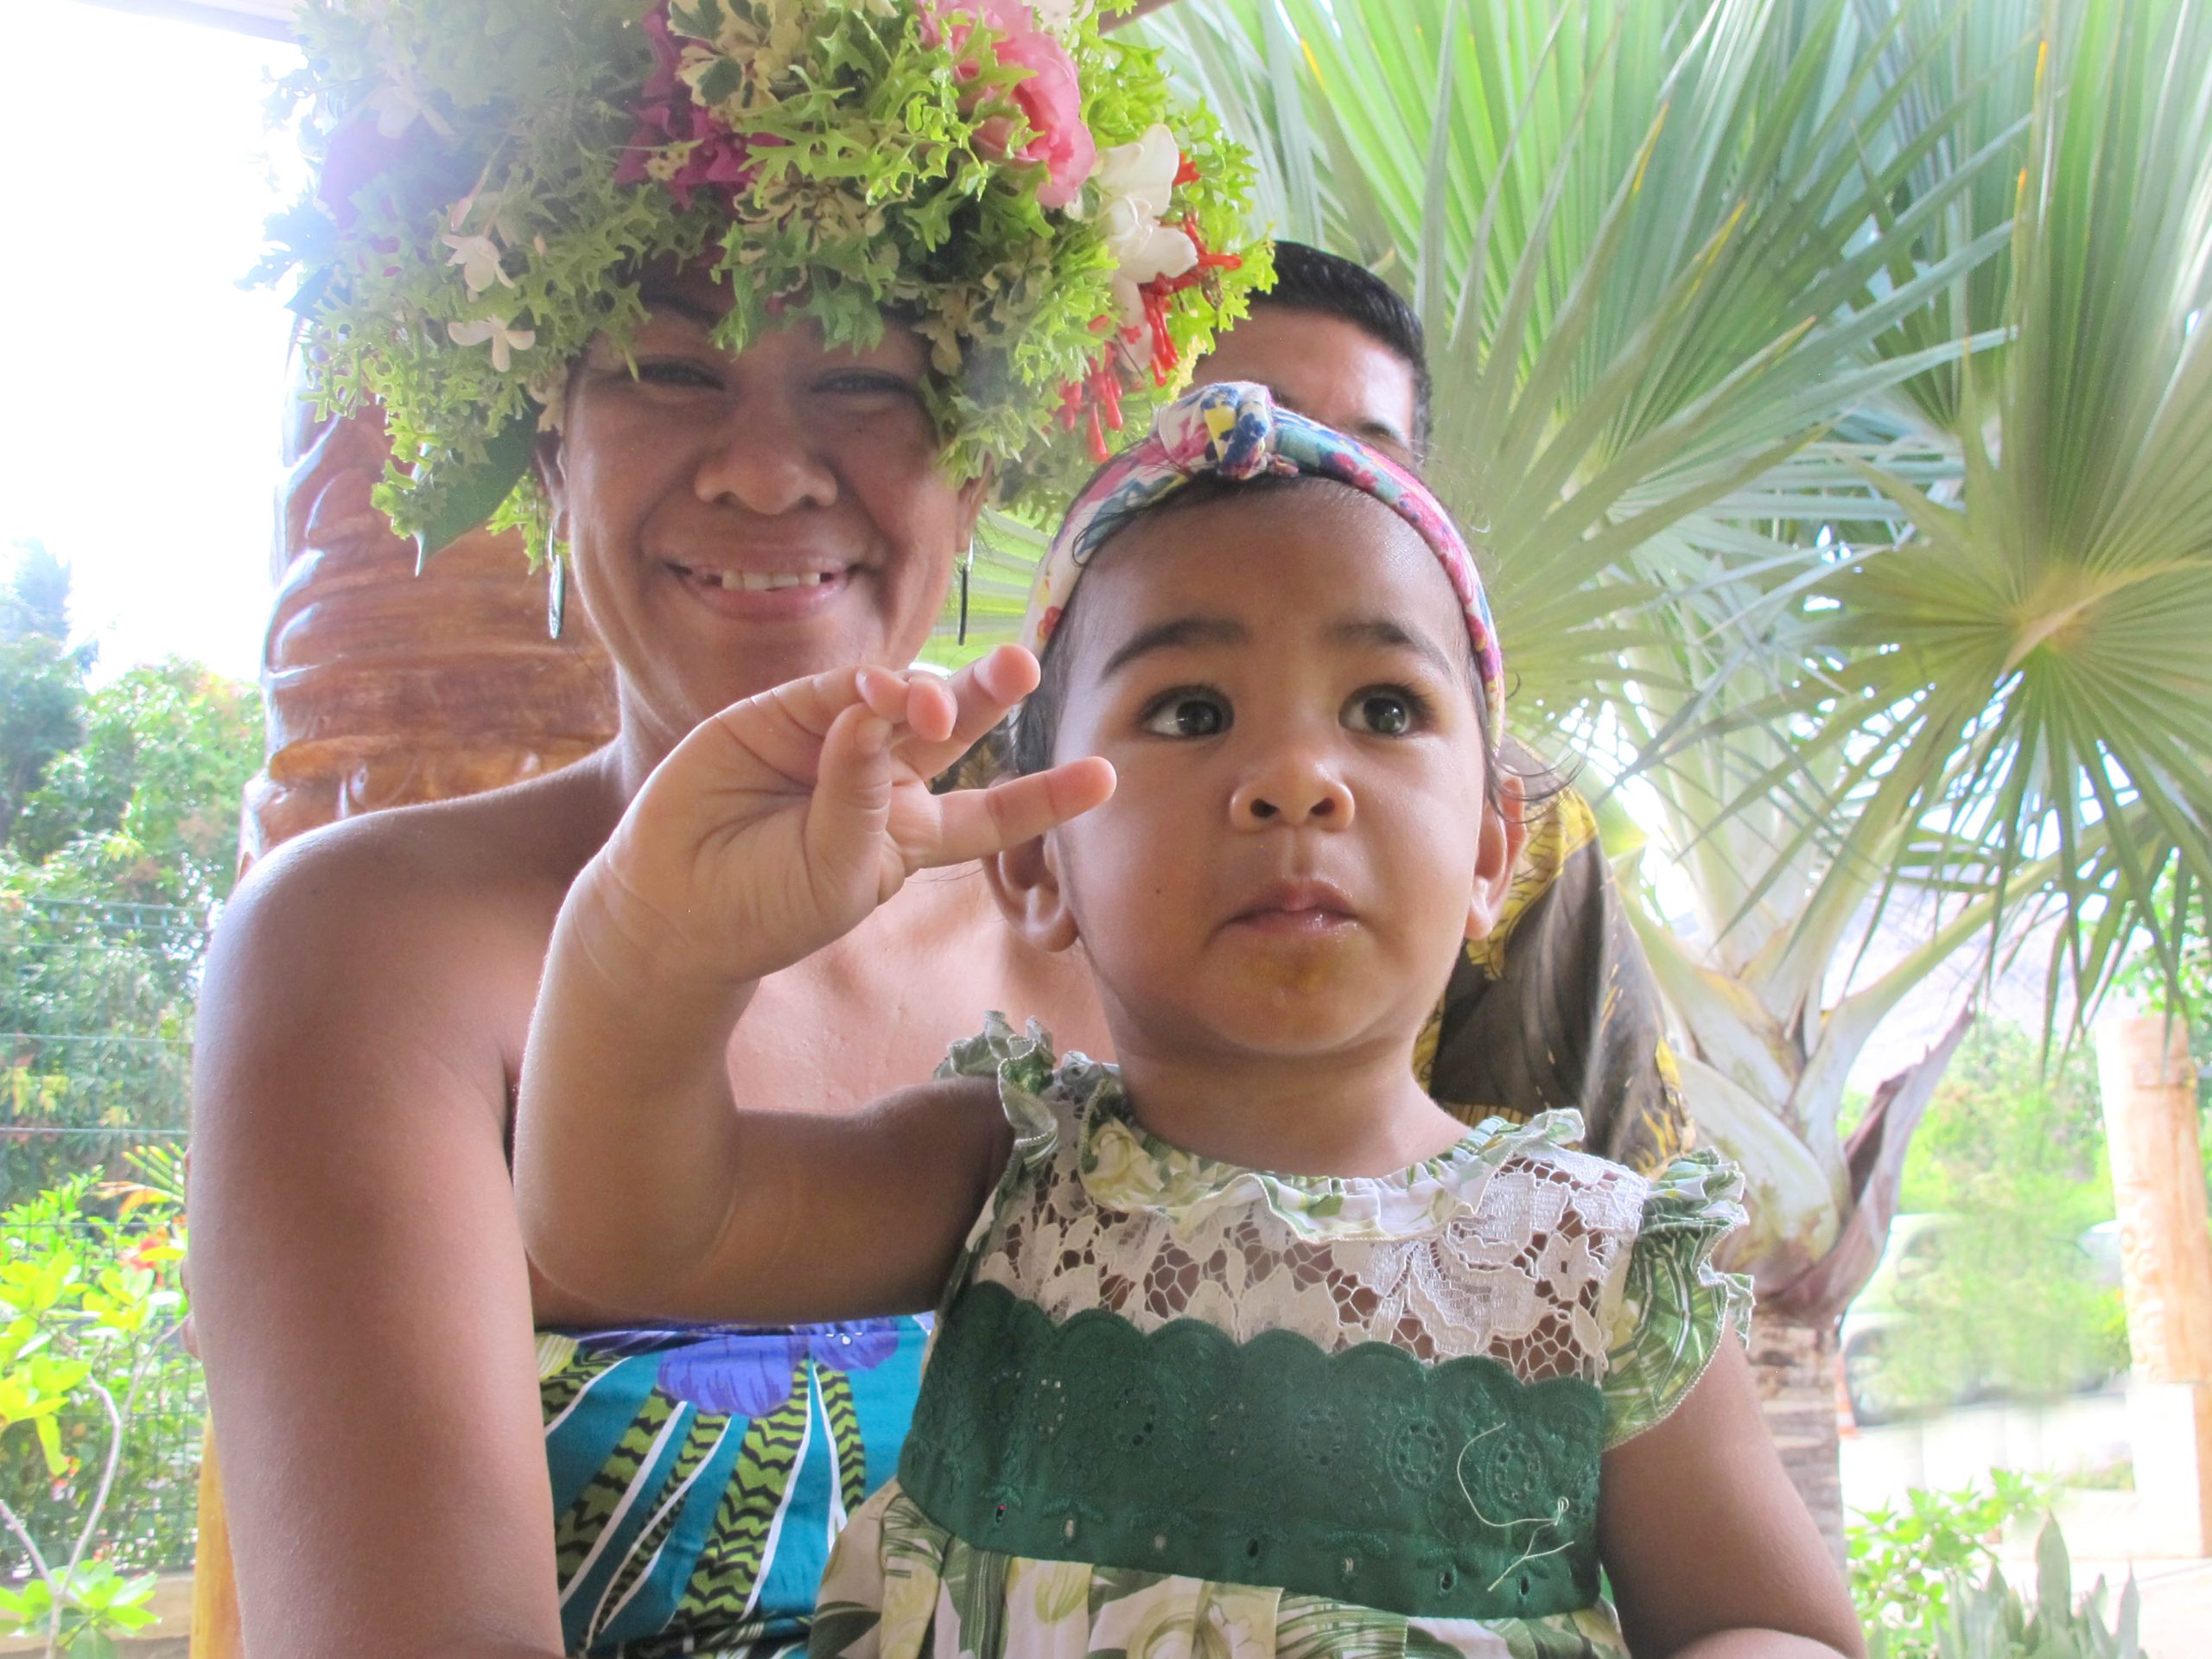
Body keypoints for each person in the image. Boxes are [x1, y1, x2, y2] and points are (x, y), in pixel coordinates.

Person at [190, 4, 1265, 1656]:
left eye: (860, 379)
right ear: (547, 447)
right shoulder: (362, 955)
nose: (767, 470)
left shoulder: (1123, 929)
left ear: (978, 476)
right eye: (668, 367)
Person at [513, 382, 1863, 1659]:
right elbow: (622, 1231)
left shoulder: (1594, 1268)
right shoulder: (998, 1178)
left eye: (1384, 709)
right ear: (1039, 866)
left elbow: (1782, 1625)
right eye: (1191, 711)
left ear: (1490, 857)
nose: (1293, 779)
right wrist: (647, 941)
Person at [1195, 242, 1693, 1173]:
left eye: (1366, 459)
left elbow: (1609, 1240)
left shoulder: (1515, 827)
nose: (1313, 485)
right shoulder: (949, 801)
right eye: (1252, 439)